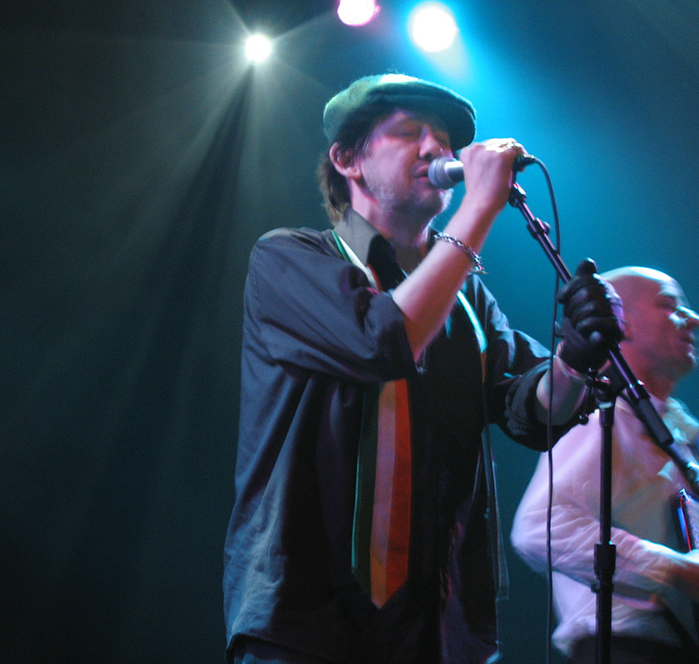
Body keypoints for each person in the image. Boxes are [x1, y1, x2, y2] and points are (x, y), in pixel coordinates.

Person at [223, 73, 624, 664]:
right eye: (410, 133)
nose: (439, 150)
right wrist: (481, 209)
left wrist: (574, 360)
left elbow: (525, 411)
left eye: (444, 137)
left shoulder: (466, 300)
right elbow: (382, 341)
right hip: (307, 624)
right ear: (347, 160)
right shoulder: (289, 259)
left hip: (440, 628)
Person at [511, 267, 699, 664]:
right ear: (623, 325)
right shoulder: (599, 418)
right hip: (626, 652)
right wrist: (676, 571)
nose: (696, 319)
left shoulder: (676, 430)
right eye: (671, 307)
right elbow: (537, 528)